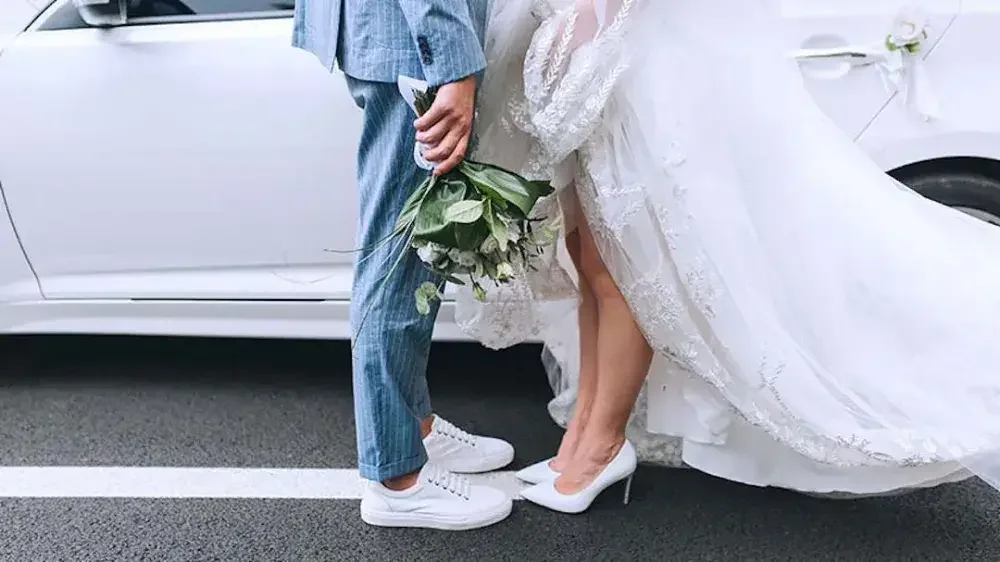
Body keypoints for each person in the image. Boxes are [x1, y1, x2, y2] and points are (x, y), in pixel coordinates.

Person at [455, 0, 1000, 514]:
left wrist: (572, 49)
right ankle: (579, 436)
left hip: (638, 73)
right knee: (592, 262)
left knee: (629, 270)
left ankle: (600, 446)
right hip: (607, 64)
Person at [292, 0, 517, 530]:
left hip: (392, 32)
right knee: (397, 260)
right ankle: (398, 480)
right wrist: (453, 62)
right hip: (408, 38)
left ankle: (414, 428)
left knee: (410, 252)